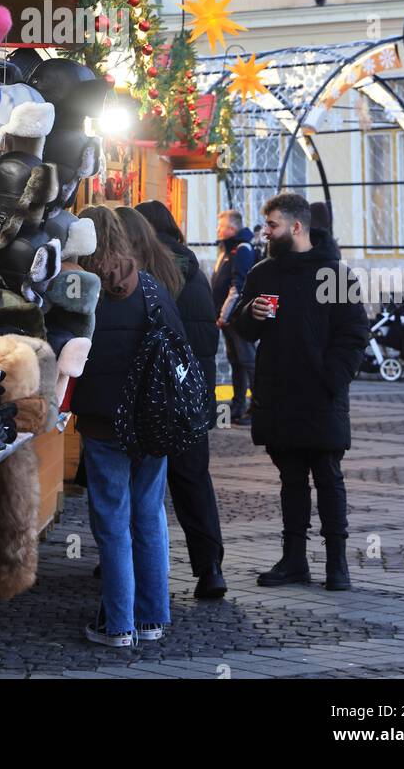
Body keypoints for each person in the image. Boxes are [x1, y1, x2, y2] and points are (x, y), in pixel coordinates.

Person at [235, 192, 369, 592]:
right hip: (278, 393)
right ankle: (293, 560)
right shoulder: (263, 273)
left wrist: (332, 377)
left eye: (272, 225)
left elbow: (354, 333)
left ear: (295, 227)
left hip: (322, 395)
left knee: (328, 476)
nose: (265, 232)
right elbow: (245, 329)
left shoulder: (335, 274)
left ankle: (336, 565)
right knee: (290, 479)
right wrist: (250, 313)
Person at [71, 205, 186, 648]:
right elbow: (180, 350)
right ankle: (153, 618)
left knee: (113, 523)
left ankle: (118, 625)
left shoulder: (81, 290)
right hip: (152, 423)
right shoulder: (153, 288)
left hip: (103, 426)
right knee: (150, 516)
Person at [123, 202, 226, 600]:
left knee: (138, 480)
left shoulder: (145, 270)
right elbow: (206, 337)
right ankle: (210, 568)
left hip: (152, 395)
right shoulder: (194, 268)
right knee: (192, 480)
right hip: (191, 396)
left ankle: (127, 563)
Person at [211, 209, 257, 425]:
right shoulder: (227, 250)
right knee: (235, 360)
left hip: (237, 317)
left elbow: (237, 287)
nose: (218, 230)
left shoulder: (242, 250)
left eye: (221, 227)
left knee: (248, 360)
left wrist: (224, 314)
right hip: (228, 318)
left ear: (231, 229)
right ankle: (238, 404)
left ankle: (257, 406)